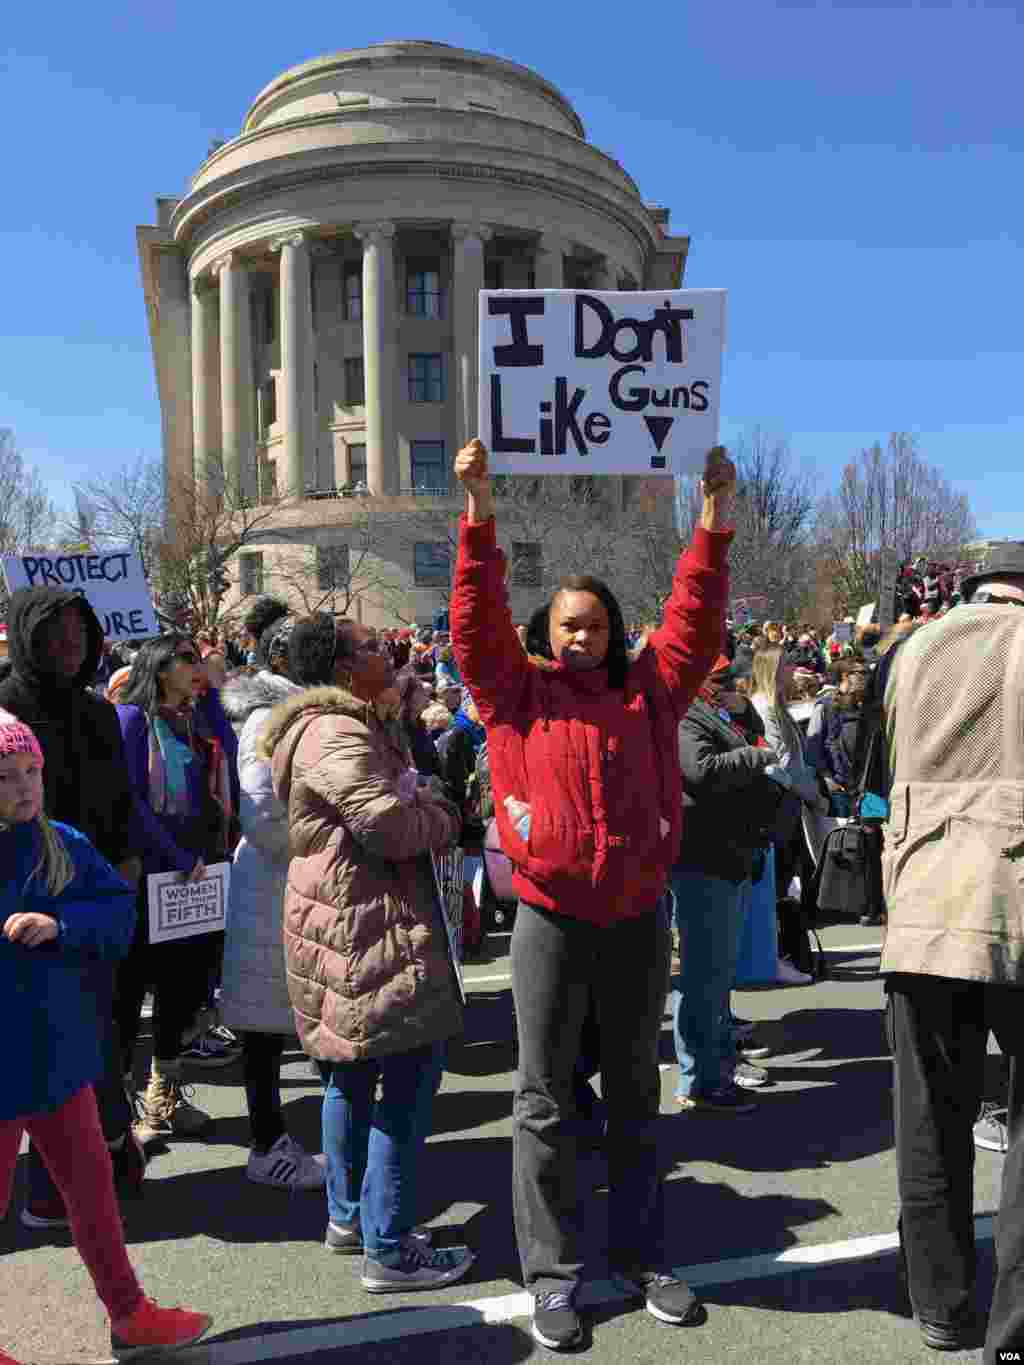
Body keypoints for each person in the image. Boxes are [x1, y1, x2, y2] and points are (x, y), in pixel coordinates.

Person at [451, 438, 735, 1351]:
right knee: (542, 1102)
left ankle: (644, 1254)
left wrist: (713, 520)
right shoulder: (512, 694)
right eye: (569, 625)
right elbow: (475, 624)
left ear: (615, 634)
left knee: (635, 1093)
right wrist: (478, 513)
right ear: (546, 632)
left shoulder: (650, 694)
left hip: (637, 923)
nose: (584, 638)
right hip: (549, 922)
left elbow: (692, 620)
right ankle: (552, 1274)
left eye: (598, 626)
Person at [259, 613, 475, 1292]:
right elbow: (384, 822)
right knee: (406, 1082)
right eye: (370, 647)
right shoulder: (336, 729)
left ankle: (351, 1216)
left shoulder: (343, 723)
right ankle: (390, 1246)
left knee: (349, 1076)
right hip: (369, 926)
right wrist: (442, 816)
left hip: (348, 920)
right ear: (342, 668)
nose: (387, 650)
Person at [0, 710, 212, 1359]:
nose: (24, 785)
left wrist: (60, 925)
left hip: (61, 1062)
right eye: (6, 776)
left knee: (94, 1197)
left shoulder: (63, 841)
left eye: (30, 770)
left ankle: (129, 1313)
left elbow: (118, 913)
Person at [879, 543, 1024, 1359]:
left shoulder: (914, 649)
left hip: (925, 900)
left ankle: (939, 1304)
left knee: (930, 1119)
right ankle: (1017, 1325)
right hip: (1013, 896)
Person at [0, 588, 146, 1229]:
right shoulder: (7, 705)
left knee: (103, 1026)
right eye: (54, 634)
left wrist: (128, 862)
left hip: (94, 889)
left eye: (79, 634)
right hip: (22, 894)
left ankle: (108, 1145)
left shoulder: (98, 711)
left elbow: (120, 797)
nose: (69, 646)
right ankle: (50, 1185)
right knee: (40, 1046)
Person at [114, 635, 235, 1144]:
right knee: (128, 995)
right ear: (160, 669)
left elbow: (227, 760)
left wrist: (208, 701)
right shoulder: (133, 720)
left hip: (198, 875)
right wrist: (175, 857)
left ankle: (165, 1096)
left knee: (183, 991)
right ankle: (117, 1112)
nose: (196, 667)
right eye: (186, 659)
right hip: (151, 876)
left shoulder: (196, 719)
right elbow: (130, 801)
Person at [219, 613, 325, 1191]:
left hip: (296, 882)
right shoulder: (268, 717)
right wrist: (333, 840)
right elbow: (263, 817)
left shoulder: (308, 709)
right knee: (262, 1031)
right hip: (272, 888)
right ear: (283, 659)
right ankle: (268, 1145)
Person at [672, 654, 794, 1116]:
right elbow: (700, 770)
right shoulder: (684, 712)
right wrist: (756, 755)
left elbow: (744, 739)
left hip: (731, 853)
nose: (729, 683)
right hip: (704, 856)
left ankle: (716, 1069)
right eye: (719, 676)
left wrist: (742, 713)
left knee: (716, 974)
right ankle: (702, 1080)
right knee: (704, 975)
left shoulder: (716, 710)